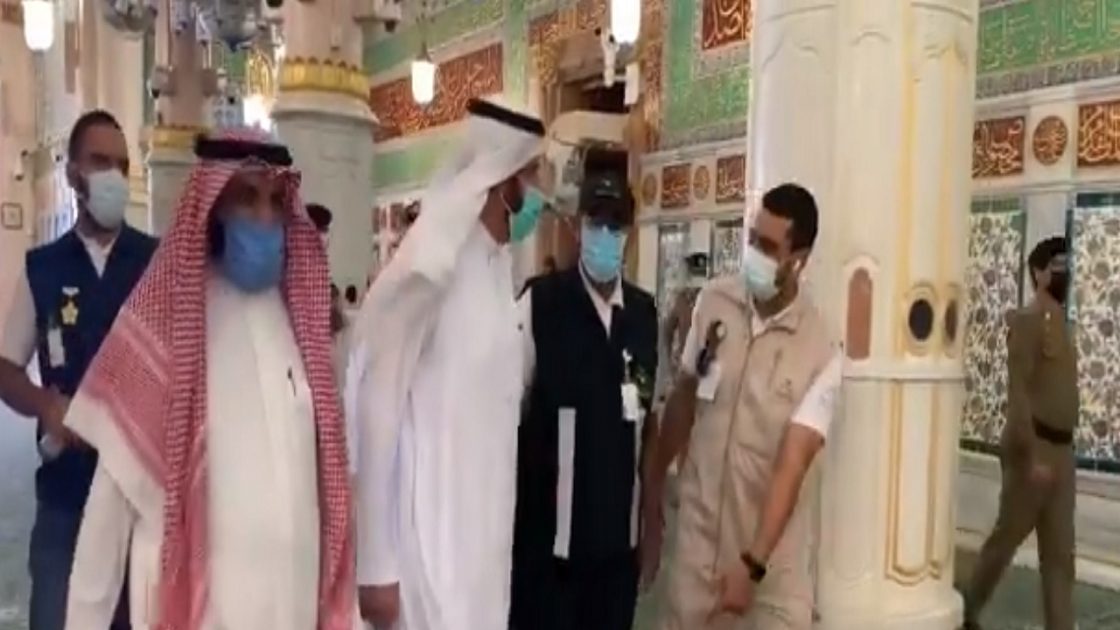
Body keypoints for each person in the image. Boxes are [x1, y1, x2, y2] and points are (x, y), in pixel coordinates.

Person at [60, 129, 355, 630]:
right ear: (214, 207)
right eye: (247, 198)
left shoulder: (297, 325)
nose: (266, 218)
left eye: (275, 201)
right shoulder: (165, 326)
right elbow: (107, 515)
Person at [350, 96, 547, 630]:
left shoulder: (496, 267)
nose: (540, 192)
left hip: (482, 545)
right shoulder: (431, 265)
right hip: (430, 552)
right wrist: (377, 565)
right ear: (504, 179)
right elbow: (377, 403)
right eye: (533, 173)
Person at [647, 183, 841, 630]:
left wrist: (753, 564)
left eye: (768, 247)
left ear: (799, 259)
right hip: (696, 561)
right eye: (752, 239)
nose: (753, 253)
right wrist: (652, 490)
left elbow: (794, 462)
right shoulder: (714, 303)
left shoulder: (821, 348)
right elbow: (684, 398)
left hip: (766, 577)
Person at [0, 109, 156, 630]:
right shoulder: (43, 269)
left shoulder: (153, 264)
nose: (113, 176)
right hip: (66, 497)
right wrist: (47, 406)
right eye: (99, 162)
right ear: (72, 174)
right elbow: (6, 369)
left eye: (122, 165)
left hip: (136, 497)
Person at [510, 152, 658, 630]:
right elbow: (504, 417)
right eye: (597, 222)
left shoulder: (642, 316)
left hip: (616, 559)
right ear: (577, 226)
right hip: (548, 561)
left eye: (617, 225)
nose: (606, 235)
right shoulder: (541, 304)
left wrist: (650, 525)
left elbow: (647, 425)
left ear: (630, 233)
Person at [961, 237, 1077, 630]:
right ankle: (967, 610)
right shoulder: (1027, 322)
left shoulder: (1062, 323)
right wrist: (1031, 455)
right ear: (1039, 273)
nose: (1064, 272)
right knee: (1006, 539)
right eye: (1057, 265)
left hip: (1061, 452)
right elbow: (1019, 392)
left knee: (1060, 554)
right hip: (1034, 450)